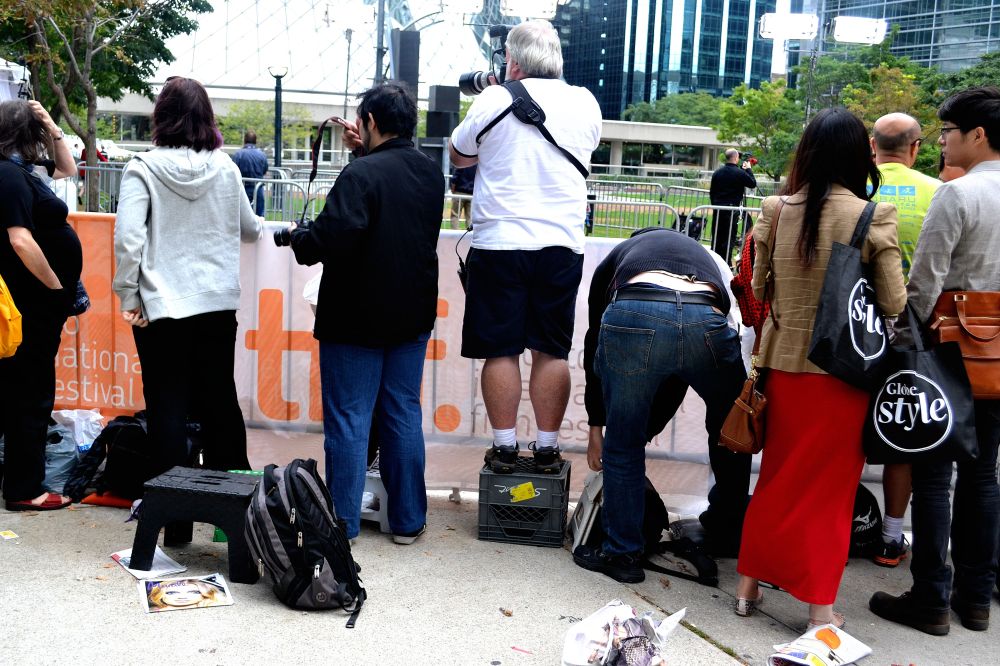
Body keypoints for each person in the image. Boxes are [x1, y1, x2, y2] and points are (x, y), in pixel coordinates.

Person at [735, 108, 906, 629]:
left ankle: (746, 589)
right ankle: (819, 611)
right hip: (843, 375)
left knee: (777, 481)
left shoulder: (774, 208)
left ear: (806, 151)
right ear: (862, 154)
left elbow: (758, 289)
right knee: (829, 496)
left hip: (781, 368)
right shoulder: (871, 215)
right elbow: (895, 302)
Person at [289, 82, 444, 546]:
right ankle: (409, 520)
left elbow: (331, 238)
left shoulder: (359, 176)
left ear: (370, 122)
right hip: (411, 313)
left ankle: (343, 526)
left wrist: (301, 238)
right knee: (402, 413)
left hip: (355, 316)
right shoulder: (429, 173)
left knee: (350, 419)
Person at [870, 86, 1000, 636]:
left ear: (978, 135)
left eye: (948, 131)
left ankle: (930, 597)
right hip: (997, 354)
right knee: (985, 475)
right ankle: (975, 599)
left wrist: (904, 338)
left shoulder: (960, 194)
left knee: (932, 474)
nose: (942, 141)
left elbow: (923, 283)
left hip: (949, 347)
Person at [448, 19, 602, 474]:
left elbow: (459, 153)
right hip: (562, 243)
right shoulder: (585, 102)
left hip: (501, 243)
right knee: (550, 350)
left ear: (511, 60)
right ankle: (549, 447)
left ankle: (505, 448)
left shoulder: (495, 97)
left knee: (502, 349)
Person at [573, 228, 749, 582]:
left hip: (637, 308)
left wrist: (600, 426)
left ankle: (622, 555)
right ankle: (728, 531)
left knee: (622, 445)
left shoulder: (619, 256)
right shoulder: (706, 256)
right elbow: (680, 364)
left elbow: (596, 344)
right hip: (707, 314)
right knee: (732, 430)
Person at [113, 77, 262, 477]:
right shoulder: (227, 168)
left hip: (161, 308)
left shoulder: (141, 168)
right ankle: (228, 508)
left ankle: (171, 513)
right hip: (216, 303)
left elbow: (128, 240)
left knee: (167, 406)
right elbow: (249, 229)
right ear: (206, 117)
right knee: (219, 401)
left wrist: (129, 296)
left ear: (161, 117)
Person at [869, 112, 942, 568]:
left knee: (844, 433)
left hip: (851, 329)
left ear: (872, 147)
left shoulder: (857, 186)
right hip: (914, 329)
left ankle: (836, 529)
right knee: (903, 433)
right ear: (915, 148)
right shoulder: (936, 192)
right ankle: (891, 539)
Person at [0, 100, 79, 511]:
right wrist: (54, 287)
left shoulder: (20, 173)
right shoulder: (9, 176)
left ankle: (19, 482)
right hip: (31, 301)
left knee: (18, 389)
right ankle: (25, 488)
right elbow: (20, 240)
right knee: (31, 392)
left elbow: (68, 169)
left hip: (29, 302)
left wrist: (53, 126)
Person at [709, 149, 757, 262]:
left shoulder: (717, 172)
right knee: (728, 238)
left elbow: (712, 192)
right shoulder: (739, 173)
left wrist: (715, 205)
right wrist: (749, 169)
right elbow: (752, 183)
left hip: (718, 209)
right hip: (731, 210)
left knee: (716, 237)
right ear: (735, 158)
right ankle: (726, 262)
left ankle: (714, 262)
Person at [230, 130, 269, 216]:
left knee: (242, 215)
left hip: (242, 188)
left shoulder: (238, 154)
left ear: (244, 140)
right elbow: (265, 169)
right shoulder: (262, 154)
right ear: (255, 141)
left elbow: (232, 170)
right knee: (259, 216)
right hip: (258, 187)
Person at [449, 163, 476, 230]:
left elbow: (455, 178)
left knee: (455, 215)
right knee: (469, 217)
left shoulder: (462, 163)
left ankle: (454, 235)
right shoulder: (478, 165)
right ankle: (469, 236)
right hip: (471, 194)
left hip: (459, 192)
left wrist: (453, 190)